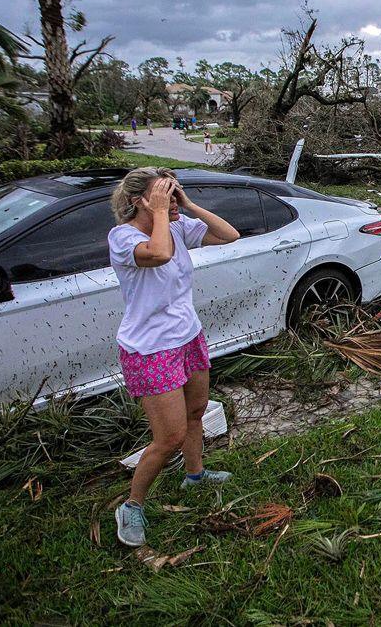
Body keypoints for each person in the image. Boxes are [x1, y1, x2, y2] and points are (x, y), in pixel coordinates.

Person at [108, 167, 240, 547]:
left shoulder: (178, 226)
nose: (171, 197)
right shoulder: (123, 237)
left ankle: (195, 474)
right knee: (169, 437)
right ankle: (132, 506)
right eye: (163, 193)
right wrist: (163, 213)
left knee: (197, 412)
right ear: (139, 201)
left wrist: (187, 204)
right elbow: (160, 254)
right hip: (151, 349)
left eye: (172, 190)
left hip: (187, 337)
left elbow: (229, 234)